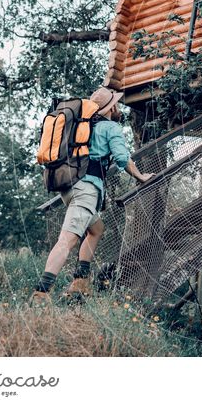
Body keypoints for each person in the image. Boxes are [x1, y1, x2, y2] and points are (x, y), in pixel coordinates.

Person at [30, 86, 154, 305]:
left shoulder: (83, 127)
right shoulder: (110, 127)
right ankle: (40, 294)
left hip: (70, 188)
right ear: (109, 108)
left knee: (96, 229)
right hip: (87, 190)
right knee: (66, 241)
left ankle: (80, 280)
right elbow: (123, 159)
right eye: (115, 103)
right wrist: (141, 176)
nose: (118, 107)